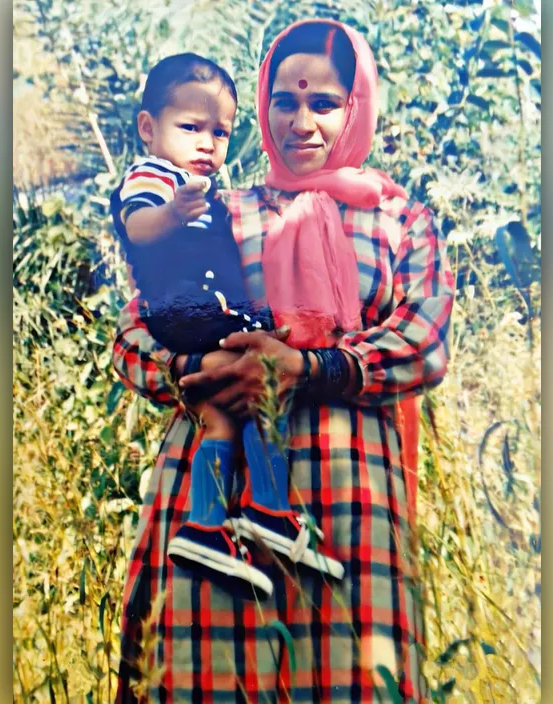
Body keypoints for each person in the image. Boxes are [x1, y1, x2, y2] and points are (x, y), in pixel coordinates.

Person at [111, 19, 454, 704]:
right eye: (284, 103)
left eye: (324, 104)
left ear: (356, 109)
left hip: (351, 499)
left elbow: (422, 340)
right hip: (214, 509)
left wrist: (309, 368)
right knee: (204, 681)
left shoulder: (399, 222)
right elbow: (133, 335)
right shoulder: (216, 214)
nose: (302, 122)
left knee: (351, 681)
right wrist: (204, 372)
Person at [109, 53, 344, 602]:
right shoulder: (162, 181)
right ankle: (267, 508)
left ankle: (207, 525)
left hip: (210, 313)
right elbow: (137, 228)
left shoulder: (207, 191)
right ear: (149, 128)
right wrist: (172, 214)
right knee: (257, 379)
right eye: (190, 127)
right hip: (189, 314)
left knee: (222, 413)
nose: (207, 143)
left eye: (220, 131)